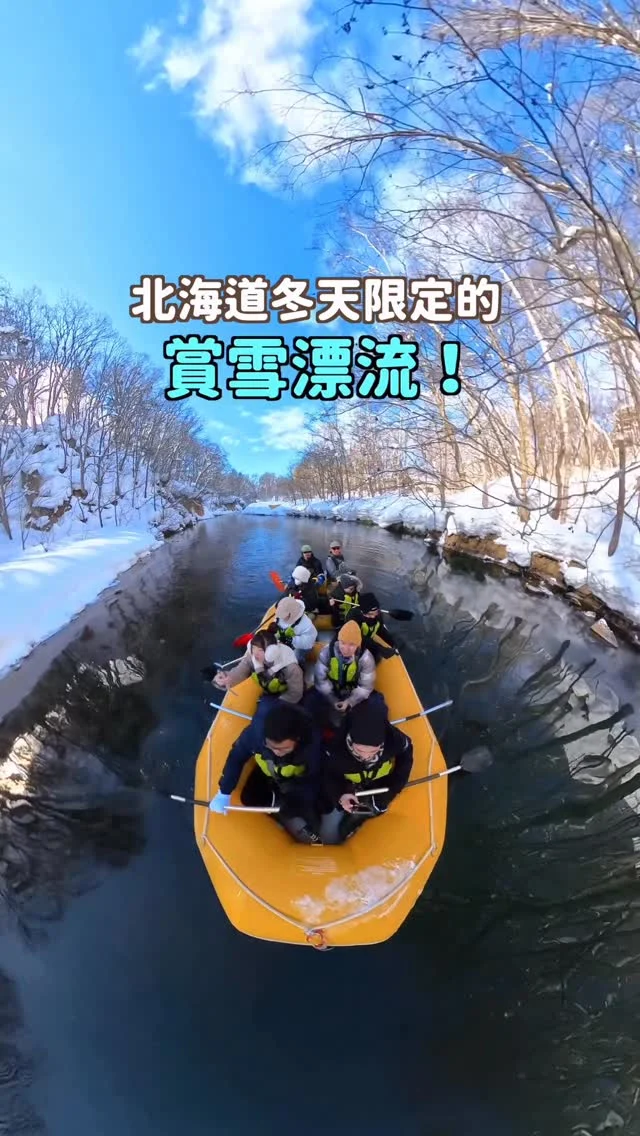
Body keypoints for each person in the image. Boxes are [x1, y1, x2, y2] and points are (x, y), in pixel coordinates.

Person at [208, 703, 322, 844]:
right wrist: (224, 791)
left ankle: (293, 812)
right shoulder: (255, 734)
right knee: (248, 798)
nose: (277, 752)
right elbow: (236, 757)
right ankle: (277, 807)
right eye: (272, 747)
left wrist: (296, 799)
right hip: (270, 775)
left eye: (283, 748)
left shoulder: (310, 745)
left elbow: (314, 776)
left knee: (312, 803)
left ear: (297, 740)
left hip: (296, 780)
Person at [319, 699, 413, 843]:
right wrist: (341, 794)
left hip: (379, 782)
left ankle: (361, 821)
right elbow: (329, 775)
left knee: (379, 807)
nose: (366, 756)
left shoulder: (394, 740)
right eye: (360, 750)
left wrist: (392, 789)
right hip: (349, 784)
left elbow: (406, 754)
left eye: (373, 751)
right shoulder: (335, 749)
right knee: (329, 816)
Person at [210, 630, 304, 722]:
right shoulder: (254, 657)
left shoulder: (292, 669)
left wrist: (277, 705)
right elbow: (243, 668)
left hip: (285, 695)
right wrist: (228, 678)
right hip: (269, 690)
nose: (255, 655)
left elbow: (295, 694)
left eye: (260, 650)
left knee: (267, 713)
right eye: (254, 649)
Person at [308, 619, 385, 728]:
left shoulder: (366, 658)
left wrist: (349, 702)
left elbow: (365, 688)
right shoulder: (326, 652)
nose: (346, 649)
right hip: (331, 690)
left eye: (351, 645)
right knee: (310, 701)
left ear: (358, 645)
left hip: (352, 691)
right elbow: (320, 680)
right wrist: (333, 699)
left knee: (376, 704)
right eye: (343, 643)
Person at [269, 596, 318, 666]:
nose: (281, 617)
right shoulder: (279, 617)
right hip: (285, 641)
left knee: (296, 656)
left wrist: (292, 640)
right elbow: (277, 627)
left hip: (301, 646)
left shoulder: (306, 624)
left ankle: (300, 666)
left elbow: (308, 642)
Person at [353, 592, 398, 661]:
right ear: (362, 612)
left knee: (377, 658)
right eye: (370, 614)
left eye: (376, 613)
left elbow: (380, 630)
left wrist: (393, 643)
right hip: (356, 642)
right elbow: (359, 636)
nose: (373, 616)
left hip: (369, 639)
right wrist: (380, 648)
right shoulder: (353, 617)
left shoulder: (378, 616)